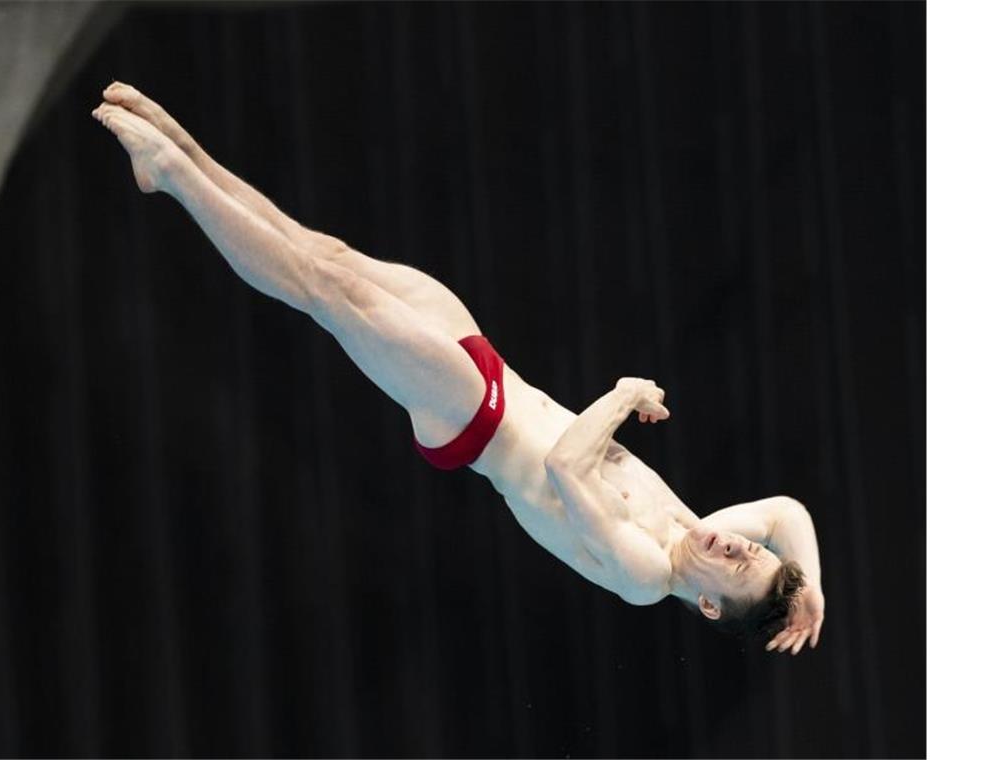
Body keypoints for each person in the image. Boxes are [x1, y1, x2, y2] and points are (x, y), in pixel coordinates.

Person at [91, 81, 825, 654]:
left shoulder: (643, 573)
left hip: (473, 418)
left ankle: (174, 177)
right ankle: (181, 150)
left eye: (737, 565)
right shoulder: (699, 530)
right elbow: (787, 511)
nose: (735, 543)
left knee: (321, 290)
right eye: (749, 549)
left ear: (705, 603)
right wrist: (809, 584)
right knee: (326, 254)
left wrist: (624, 394)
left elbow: (570, 466)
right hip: (491, 369)